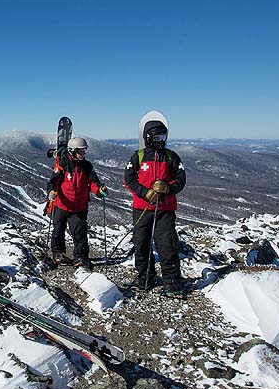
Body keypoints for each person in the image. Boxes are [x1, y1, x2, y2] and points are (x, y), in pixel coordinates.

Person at [123, 111, 187, 297]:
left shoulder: (171, 157)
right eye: (157, 136)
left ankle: (172, 282)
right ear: (148, 137)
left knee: (166, 245)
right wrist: (146, 193)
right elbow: (129, 179)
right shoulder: (138, 157)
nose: (161, 140)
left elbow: (181, 179)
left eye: (163, 136)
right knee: (141, 243)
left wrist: (168, 188)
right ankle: (145, 277)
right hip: (142, 208)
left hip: (165, 209)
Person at [47, 137, 108, 268]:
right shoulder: (63, 164)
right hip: (61, 204)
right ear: (72, 151)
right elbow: (52, 181)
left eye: (84, 151)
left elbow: (93, 182)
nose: (83, 154)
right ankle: (58, 253)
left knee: (80, 233)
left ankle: (81, 257)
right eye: (81, 151)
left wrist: (99, 190)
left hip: (78, 207)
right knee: (58, 230)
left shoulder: (86, 166)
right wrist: (51, 191)